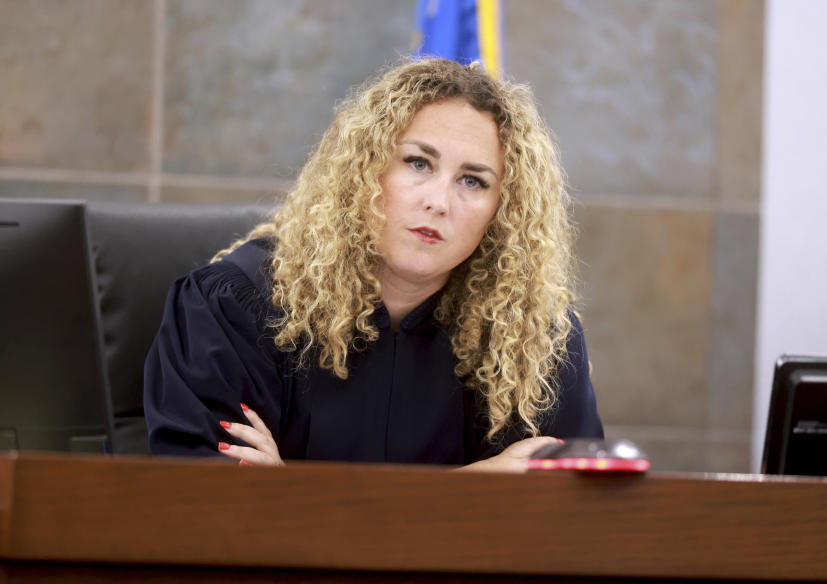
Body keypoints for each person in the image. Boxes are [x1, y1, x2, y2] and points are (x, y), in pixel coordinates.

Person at [144, 58, 603, 471]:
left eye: (473, 180)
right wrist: (471, 490)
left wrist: (289, 498)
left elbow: (564, 531)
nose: (438, 202)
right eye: (419, 163)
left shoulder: (534, 341)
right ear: (364, 170)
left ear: (502, 211)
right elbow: (210, 521)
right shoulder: (234, 307)